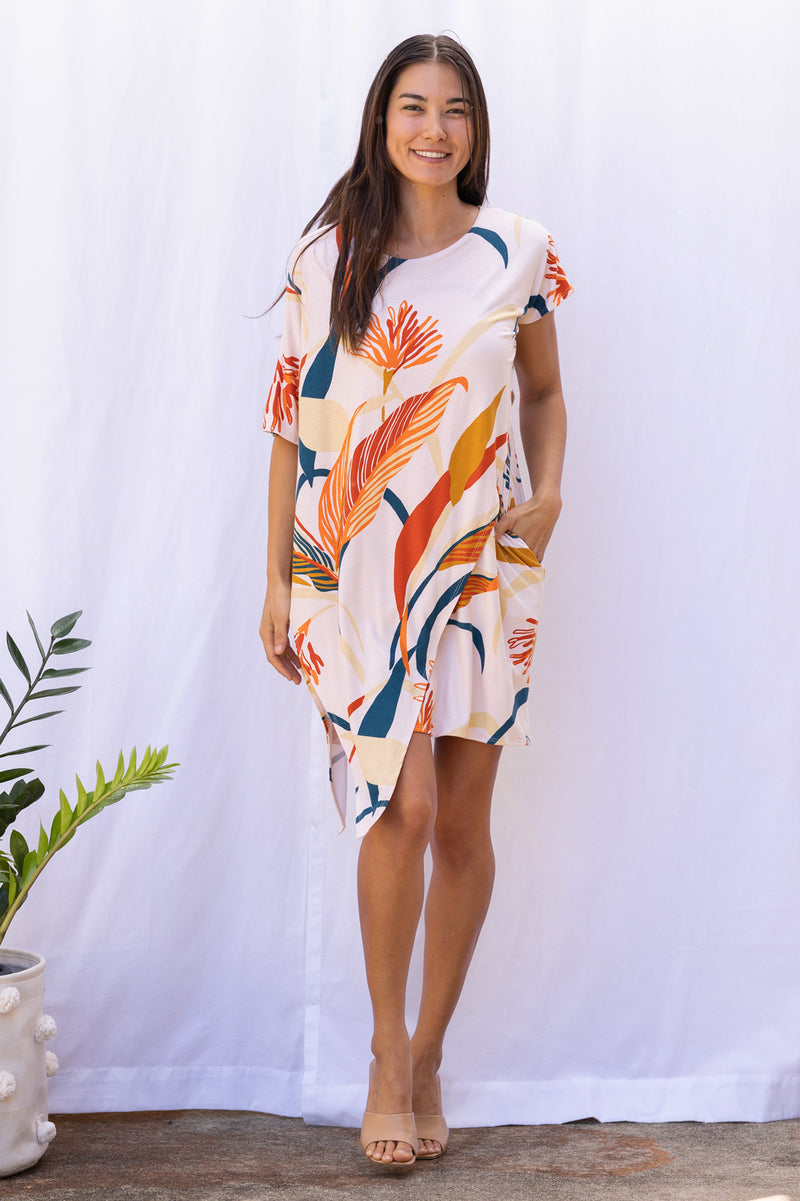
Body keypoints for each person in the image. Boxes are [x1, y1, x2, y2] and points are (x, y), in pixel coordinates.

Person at [259, 32, 572, 1169]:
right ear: (380, 120)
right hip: (355, 576)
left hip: (480, 566)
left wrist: (548, 499)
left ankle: (431, 1049)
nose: (433, 129)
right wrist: (277, 581)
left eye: (453, 110)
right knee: (399, 805)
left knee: (462, 822)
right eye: (412, 106)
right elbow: (291, 429)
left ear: (474, 128)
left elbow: (544, 395)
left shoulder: (520, 250)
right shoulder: (327, 259)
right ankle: (385, 1054)